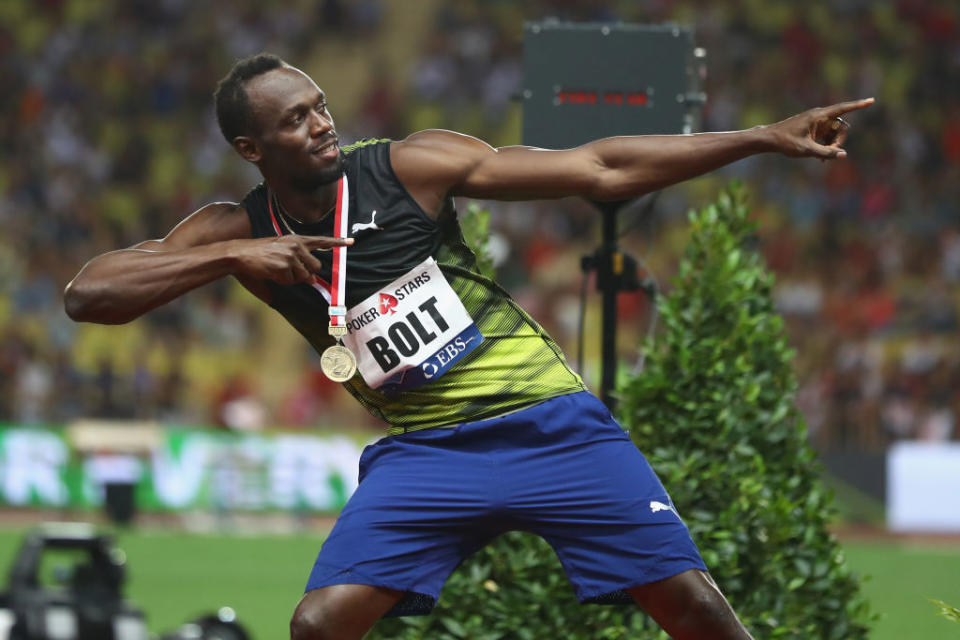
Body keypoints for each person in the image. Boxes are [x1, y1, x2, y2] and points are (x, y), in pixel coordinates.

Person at [64, 53, 873, 640]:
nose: (322, 124)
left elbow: (599, 169)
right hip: (427, 454)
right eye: (295, 120)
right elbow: (88, 294)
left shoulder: (408, 166)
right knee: (318, 625)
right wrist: (230, 256)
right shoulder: (235, 228)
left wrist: (766, 136)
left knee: (694, 609)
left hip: (549, 424)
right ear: (251, 149)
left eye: (319, 106)